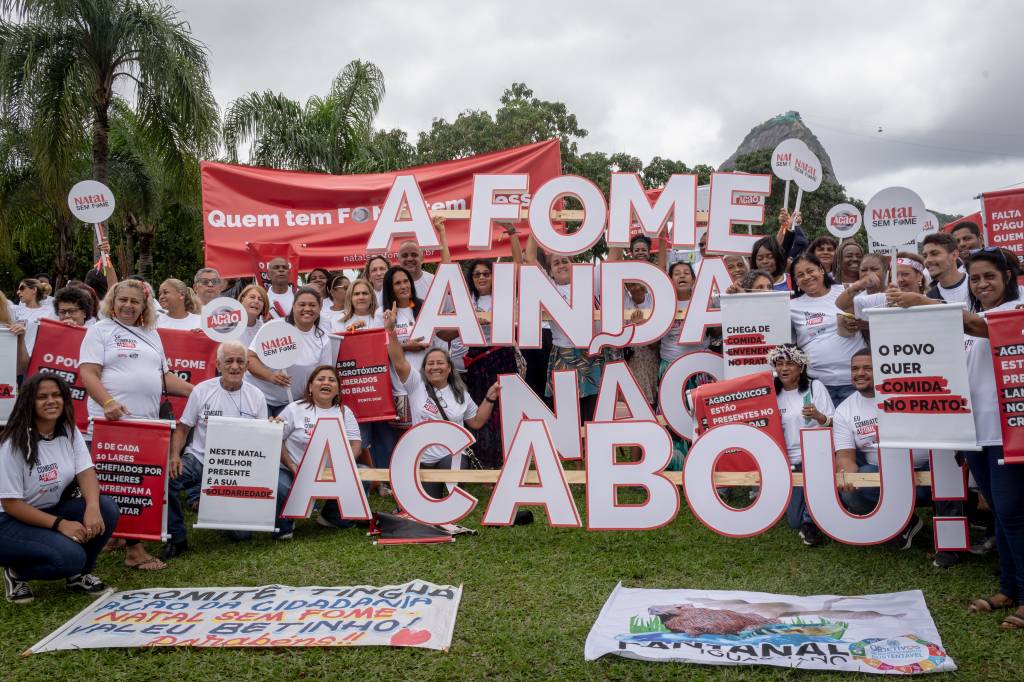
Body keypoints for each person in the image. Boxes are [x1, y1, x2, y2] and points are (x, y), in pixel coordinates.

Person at [79, 279, 193, 571]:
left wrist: (197, 392)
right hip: (111, 423)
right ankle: (135, 552)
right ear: (112, 302)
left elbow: (162, 377)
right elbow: (88, 373)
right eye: (123, 300)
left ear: (145, 306)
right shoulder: (99, 331)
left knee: (135, 484)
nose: (128, 306)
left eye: (135, 301)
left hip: (146, 425)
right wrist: (108, 403)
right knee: (122, 483)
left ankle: (118, 537)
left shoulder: (151, 333)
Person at [0, 374, 119, 603]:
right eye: (41, 397)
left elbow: (85, 471)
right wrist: (60, 524)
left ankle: (78, 576)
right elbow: (11, 504)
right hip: (8, 521)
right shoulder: (12, 444)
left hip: (48, 509)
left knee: (106, 508)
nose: (51, 401)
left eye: (56, 395)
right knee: (69, 557)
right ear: (29, 402)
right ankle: (16, 573)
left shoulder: (68, 430)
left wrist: (92, 507)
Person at [163, 341, 269, 557]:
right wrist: (174, 456)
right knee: (168, 480)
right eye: (229, 361)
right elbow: (183, 429)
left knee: (241, 536)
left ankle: (216, 510)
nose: (235, 366)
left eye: (240, 361)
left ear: (247, 366)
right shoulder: (202, 391)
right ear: (218, 365)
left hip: (236, 466)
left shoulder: (257, 396)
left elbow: (262, 438)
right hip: (200, 459)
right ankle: (177, 538)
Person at [383, 304, 499, 498]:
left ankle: (455, 495)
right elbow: (398, 360)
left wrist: (489, 398)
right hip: (422, 458)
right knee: (428, 501)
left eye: (440, 363)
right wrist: (391, 331)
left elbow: (476, 421)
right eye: (430, 363)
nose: (435, 367)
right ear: (424, 368)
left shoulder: (460, 392)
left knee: (455, 469)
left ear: (449, 368)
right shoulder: (416, 384)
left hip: (452, 457)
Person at [833, 349, 934, 552]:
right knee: (853, 491)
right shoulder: (844, 410)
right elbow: (845, 455)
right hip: (882, 479)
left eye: (867, 368)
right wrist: (847, 475)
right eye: (855, 368)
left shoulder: (906, 392)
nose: (860, 373)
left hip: (925, 474)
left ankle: (952, 527)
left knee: (947, 470)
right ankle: (905, 524)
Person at [277, 366, 364, 537]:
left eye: (332, 380)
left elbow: (356, 444)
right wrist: (292, 466)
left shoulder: (344, 412)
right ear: (310, 386)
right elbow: (277, 438)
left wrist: (343, 467)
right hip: (292, 469)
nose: (326, 383)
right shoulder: (295, 409)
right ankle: (284, 526)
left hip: (329, 472)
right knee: (282, 488)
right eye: (321, 379)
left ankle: (330, 517)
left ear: (338, 388)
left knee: (364, 476)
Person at [767, 344, 834, 547]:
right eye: (780, 364)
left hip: (814, 456)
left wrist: (818, 416)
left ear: (801, 368)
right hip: (787, 461)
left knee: (804, 518)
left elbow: (833, 423)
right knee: (793, 520)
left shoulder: (815, 387)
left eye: (790, 364)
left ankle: (811, 524)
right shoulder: (771, 392)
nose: (784, 369)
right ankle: (808, 514)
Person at [246, 286, 335, 417]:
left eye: (312, 305)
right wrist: (270, 376)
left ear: (320, 308)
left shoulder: (323, 340)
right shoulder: (274, 326)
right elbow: (250, 358)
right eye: (302, 304)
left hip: (292, 404)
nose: (307, 309)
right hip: (259, 398)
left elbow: (322, 376)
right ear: (293, 307)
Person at [788, 253, 863, 405]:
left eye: (810, 271)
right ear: (796, 281)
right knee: (823, 428)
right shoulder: (791, 306)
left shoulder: (845, 290)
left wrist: (859, 323)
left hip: (856, 380)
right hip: (818, 385)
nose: (807, 277)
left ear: (821, 270)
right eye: (800, 275)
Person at [922, 232, 969, 304]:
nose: (928, 260)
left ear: (954, 255)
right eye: (925, 256)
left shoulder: (975, 285)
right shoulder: (930, 296)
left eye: (934, 254)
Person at [13, 278, 51, 355]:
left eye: (22, 288)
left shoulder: (51, 311)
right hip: (17, 358)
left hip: (39, 359)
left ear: (34, 290)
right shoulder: (14, 310)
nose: (18, 292)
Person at [237, 283, 269, 347]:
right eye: (252, 297)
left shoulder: (265, 330)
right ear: (242, 299)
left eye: (260, 299)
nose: (256, 301)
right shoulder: (228, 325)